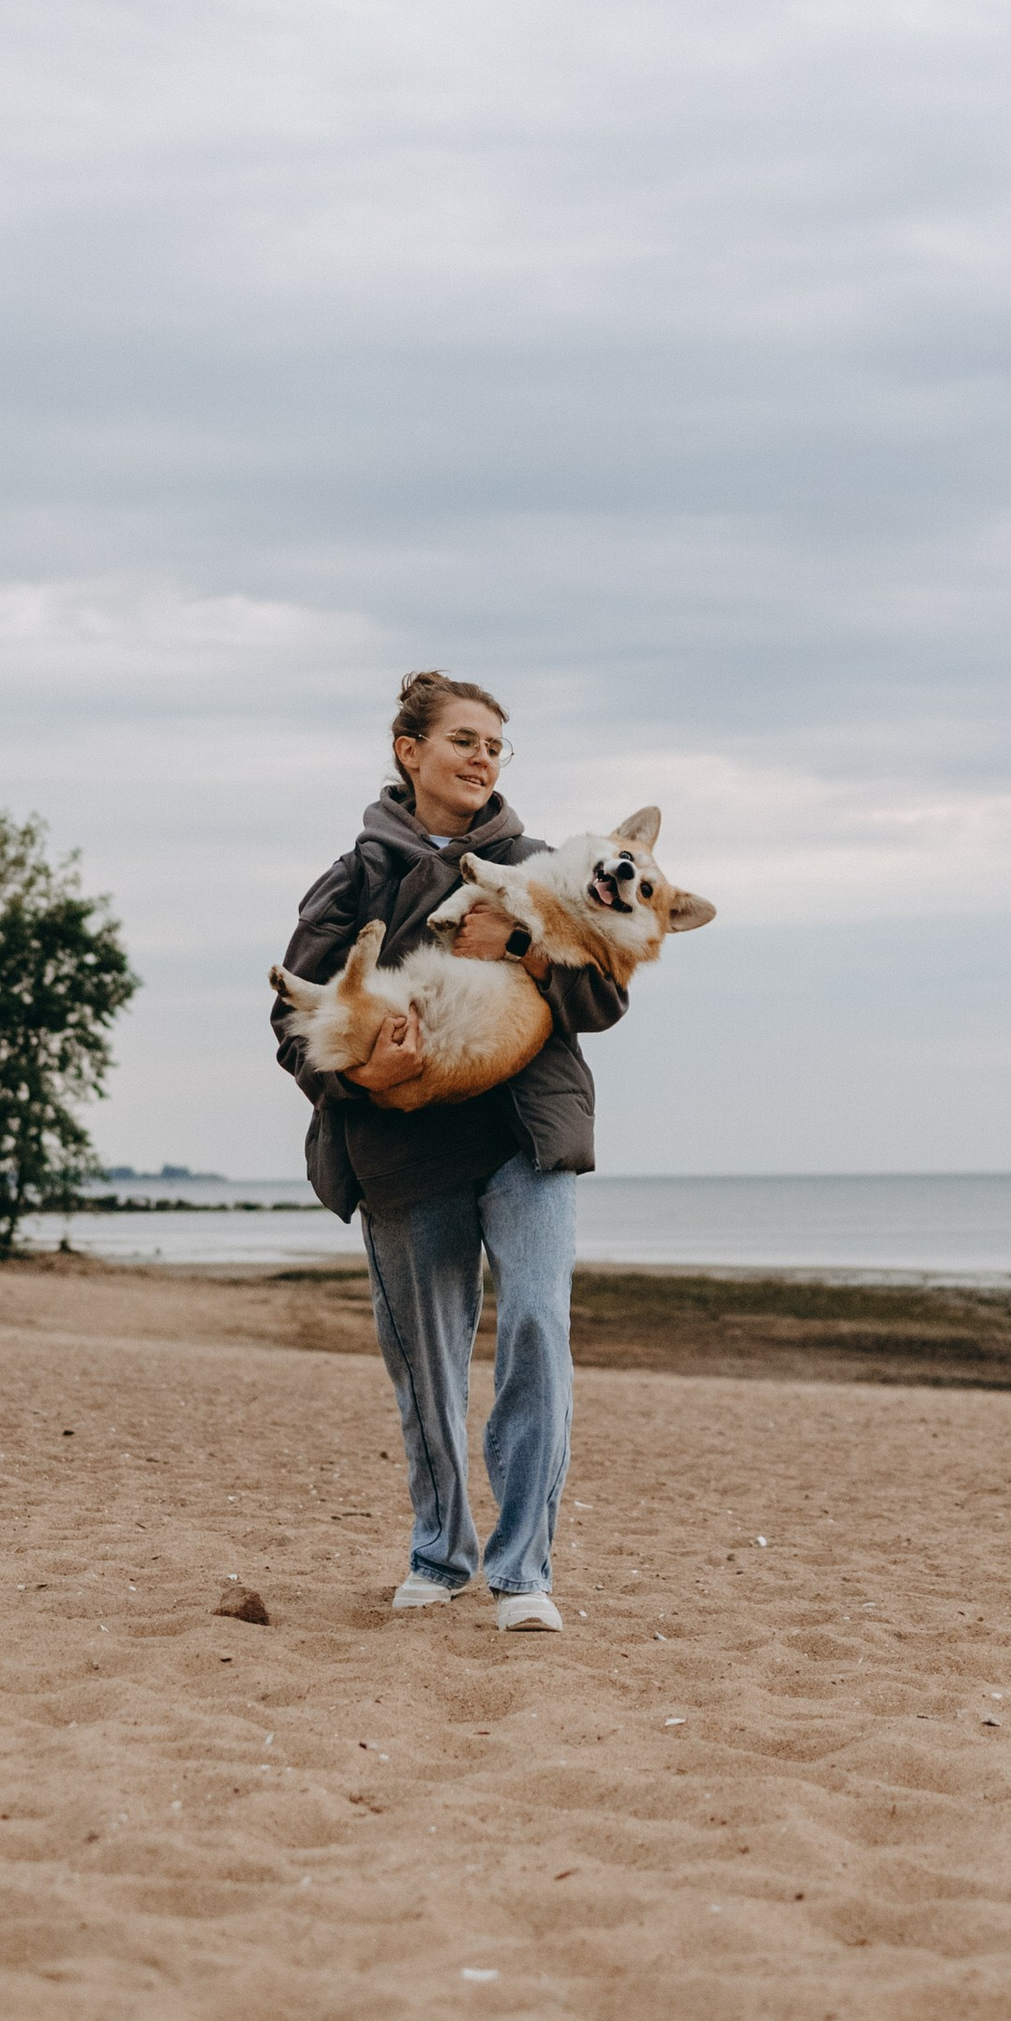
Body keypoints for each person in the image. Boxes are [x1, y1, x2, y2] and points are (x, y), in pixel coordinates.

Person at [272, 670, 625, 1632]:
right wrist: (365, 1076)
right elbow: (290, 1016)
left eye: (495, 746)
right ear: (408, 752)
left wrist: (521, 944)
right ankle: (440, 1551)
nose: (482, 759)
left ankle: (523, 1573)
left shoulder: (548, 865)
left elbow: (604, 999)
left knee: (538, 1332)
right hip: (403, 1141)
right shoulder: (350, 879)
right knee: (425, 1358)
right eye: (463, 740)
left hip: (525, 1132)